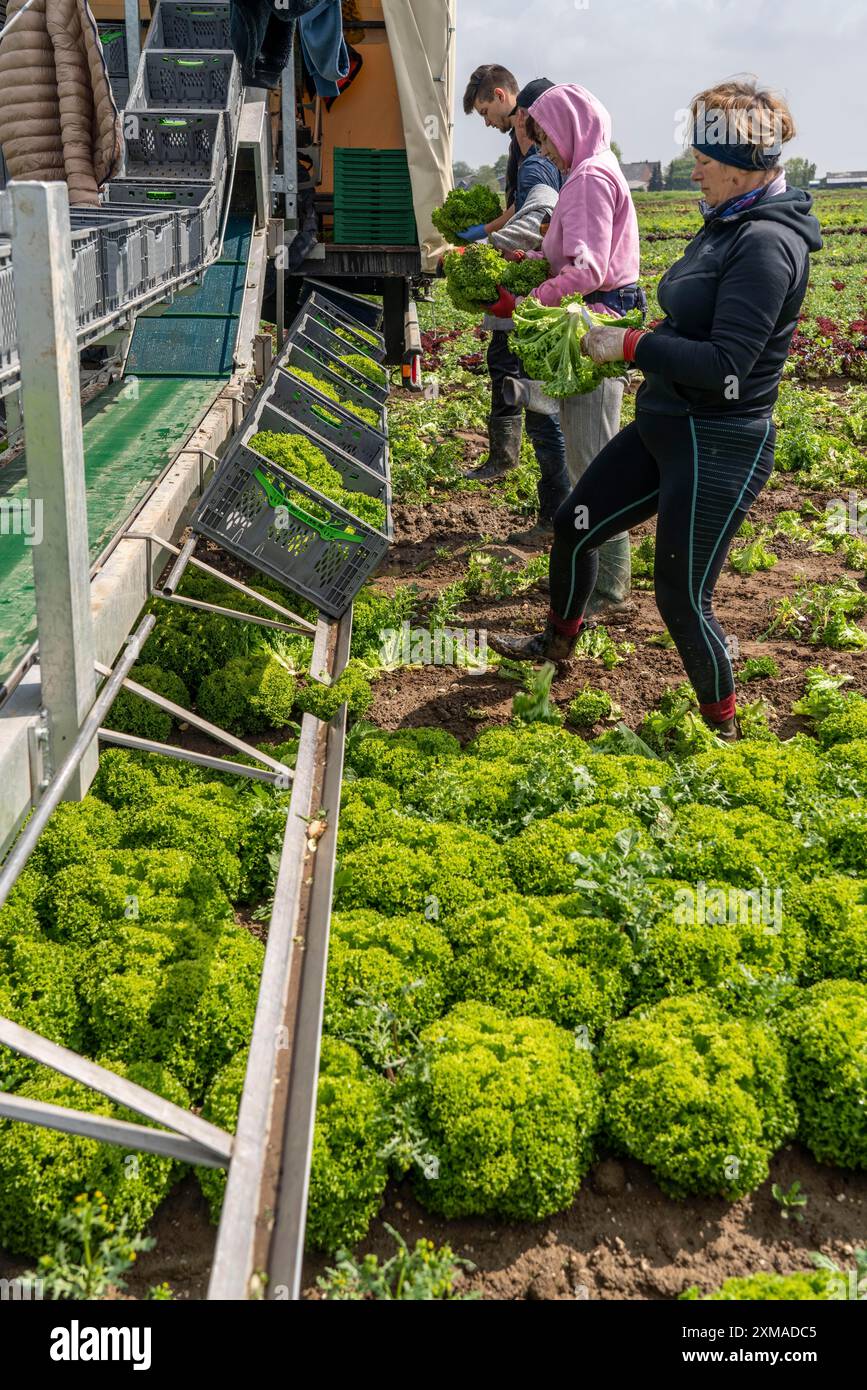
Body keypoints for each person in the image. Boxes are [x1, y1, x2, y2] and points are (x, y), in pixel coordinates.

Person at [489, 78, 822, 741]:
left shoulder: (764, 244)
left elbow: (726, 365)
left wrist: (630, 343)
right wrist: (635, 343)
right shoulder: (726, 222)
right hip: (666, 422)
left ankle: (720, 728)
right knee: (574, 523)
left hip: (719, 441)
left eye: (701, 155)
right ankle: (556, 647)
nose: (691, 165)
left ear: (739, 162)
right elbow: (687, 325)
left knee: (679, 596)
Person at [486, 82, 643, 613]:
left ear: (571, 127)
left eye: (548, 137)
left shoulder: (591, 179)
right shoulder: (588, 172)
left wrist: (530, 299)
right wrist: (526, 268)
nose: (546, 149)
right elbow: (567, 256)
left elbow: (588, 269)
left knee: (593, 457)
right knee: (584, 448)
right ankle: (600, 574)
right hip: (593, 315)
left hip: (596, 318)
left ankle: (611, 587)